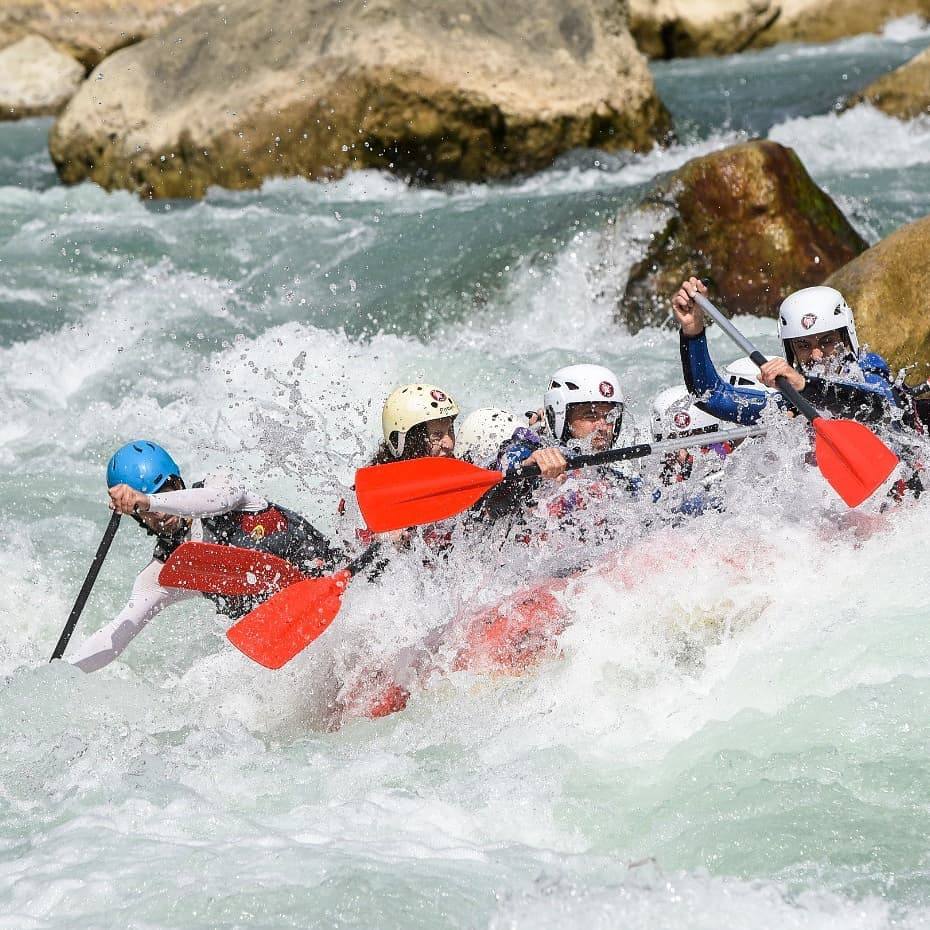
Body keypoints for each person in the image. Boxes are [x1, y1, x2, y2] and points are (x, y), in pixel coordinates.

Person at [70, 440, 340, 672]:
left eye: (164, 491)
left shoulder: (219, 485)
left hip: (344, 579)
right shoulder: (166, 572)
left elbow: (220, 499)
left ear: (177, 482)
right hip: (306, 637)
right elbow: (113, 639)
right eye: (145, 512)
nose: (159, 516)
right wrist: (60, 674)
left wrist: (147, 501)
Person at [672, 277, 913, 427]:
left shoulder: (870, 370)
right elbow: (709, 396)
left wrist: (805, 385)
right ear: (792, 351)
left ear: (846, 337)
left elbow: (877, 406)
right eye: (804, 346)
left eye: (827, 341)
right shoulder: (787, 405)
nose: (816, 355)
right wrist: (693, 332)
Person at [479, 363, 633, 530]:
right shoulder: (525, 448)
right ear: (560, 417)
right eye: (591, 415)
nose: (603, 427)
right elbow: (494, 507)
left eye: (610, 416)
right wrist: (525, 472)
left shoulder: (614, 481)